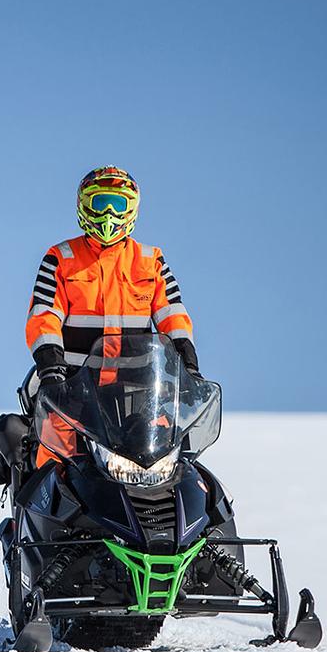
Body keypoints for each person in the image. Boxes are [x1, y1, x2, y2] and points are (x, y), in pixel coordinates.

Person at [24, 166, 200, 465]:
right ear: (83, 206)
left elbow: (173, 316)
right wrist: (51, 366)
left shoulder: (150, 260)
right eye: (99, 202)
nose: (108, 213)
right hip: (73, 386)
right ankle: (39, 509)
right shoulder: (62, 257)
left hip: (139, 388)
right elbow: (44, 315)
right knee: (55, 455)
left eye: (117, 204)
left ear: (131, 209)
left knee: (171, 457)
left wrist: (189, 368)